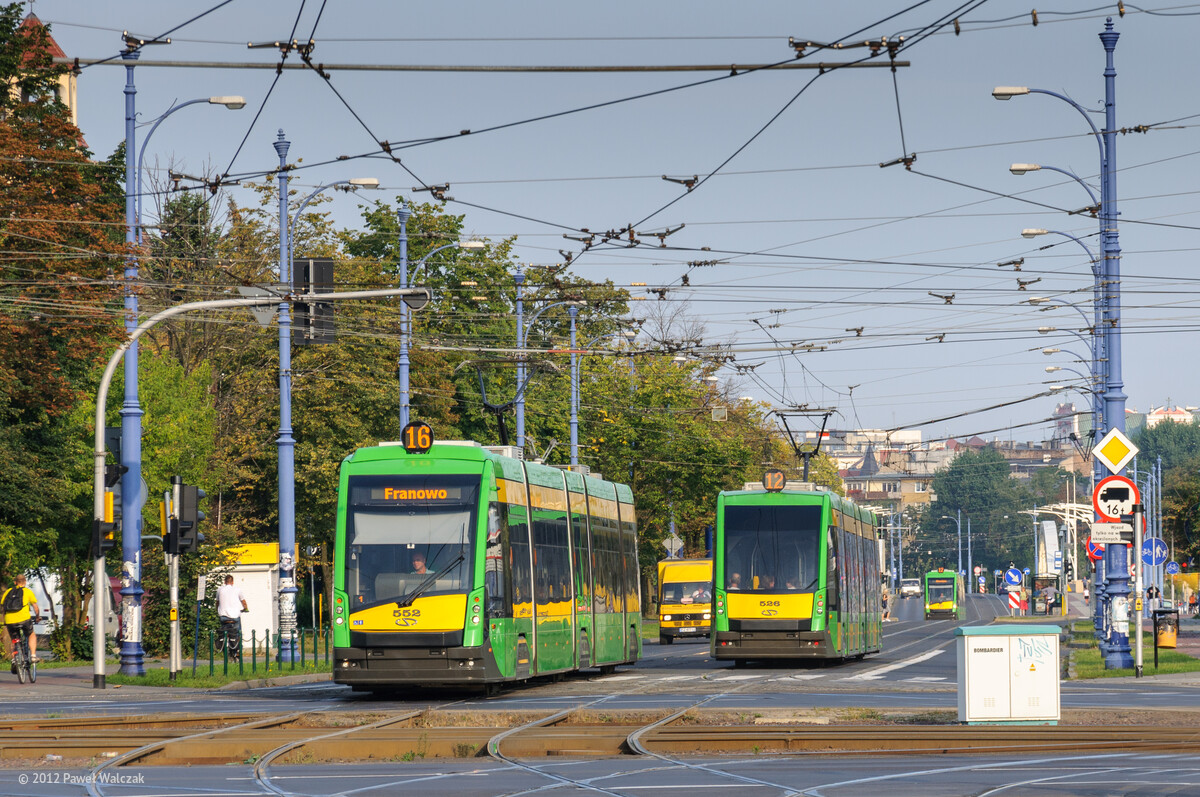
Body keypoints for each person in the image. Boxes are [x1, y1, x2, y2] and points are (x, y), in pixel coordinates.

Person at [3, 574, 39, 666]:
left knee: (14, 639)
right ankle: (33, 656)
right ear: (25, 582)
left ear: (15, 582)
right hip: (24, 619)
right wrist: (38, 616)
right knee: (31, 634)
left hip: (10, 620)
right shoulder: (27, 591)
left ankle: (14, 660)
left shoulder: (8, 591)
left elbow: (3, 606)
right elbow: (35, 607)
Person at [216, 575, 248, 658]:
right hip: (235, 616)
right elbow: (243, 602)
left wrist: (217, 610)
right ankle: (238, 651)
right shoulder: (237, 589)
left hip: (223, 616)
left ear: (224, 582)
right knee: (238, 633)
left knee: (223, 631)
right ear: (232, 582)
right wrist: (245, 608)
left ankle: (223, 647)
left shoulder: (219, 590)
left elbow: (217, 602)